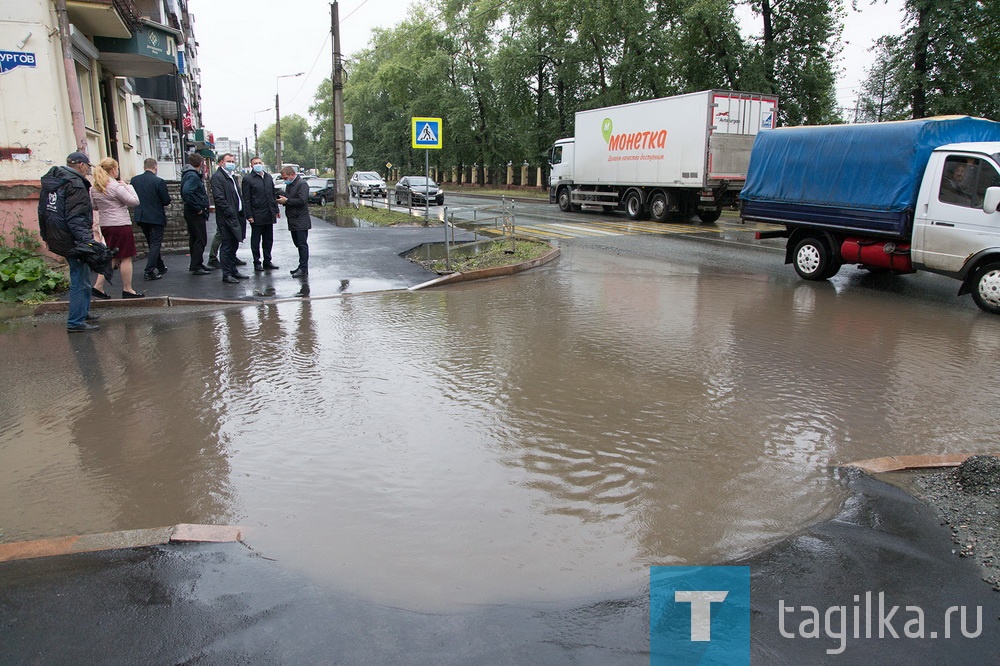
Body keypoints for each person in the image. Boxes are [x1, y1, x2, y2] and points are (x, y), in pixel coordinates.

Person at [38, 152, 100, 331]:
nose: (88, 169)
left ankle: (82, 312)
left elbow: (43, 211)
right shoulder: (75, 184)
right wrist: (88, 243)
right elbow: (77, 218)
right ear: (81, 165)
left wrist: (46, 236)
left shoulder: (53, 183)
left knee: (82, 276)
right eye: (88, 166)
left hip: (58, 236)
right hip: (73, 239)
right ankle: (76, 321)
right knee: (79, 279)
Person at [90, 157, 144, 299]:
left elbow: (94, 206)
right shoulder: (115, 186)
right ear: (113, 169)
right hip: (120, 224)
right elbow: (134, 201)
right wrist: (128, 186)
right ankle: (128, 289)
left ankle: (98, 286)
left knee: (112, 256)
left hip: (106, 225)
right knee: (126, 257)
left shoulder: (95, 188)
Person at [210, 153, 249, 283]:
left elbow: (238, 195)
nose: (231, 163)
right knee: (226, 245)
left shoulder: (231, 176)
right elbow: (220, 199)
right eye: (229, 161)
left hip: (237, 216)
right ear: (221, 163)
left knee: (234, 244)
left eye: (233, 160)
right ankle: (226, 274)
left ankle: (233, 270)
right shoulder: (218, 177)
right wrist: (230, 213)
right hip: (227, 218)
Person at [131, 157, 172, 280]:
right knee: (155, 243)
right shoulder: (159, 181)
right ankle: (149, 271)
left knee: (151, 242)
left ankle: (160, 266)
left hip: (141, 216)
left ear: (144, 167)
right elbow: (166, 200)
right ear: (155, 167)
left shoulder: (134, 180)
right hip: (156, 216)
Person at [242, 156, 280, 272]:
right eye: (255, 163)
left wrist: (276, 210)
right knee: (256, 240)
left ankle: (267, 261)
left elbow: (272, 195)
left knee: (268, 239)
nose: (258, 165)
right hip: (256, 214)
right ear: (251, 166)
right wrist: (249, 215)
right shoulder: (248, 179)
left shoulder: (268, 177)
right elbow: (246, 199)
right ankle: (256, 262)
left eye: (259, 162)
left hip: (269, 213)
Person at [180, 154, 212, 274]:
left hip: (190, 211)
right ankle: (196, 266)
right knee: (200, 238)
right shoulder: (193, 176)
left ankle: (197, 263)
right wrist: (198, 208)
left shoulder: (188, 174)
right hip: (195, 213)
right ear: (200, 164)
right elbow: (187, 192)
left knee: (194, 238)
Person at [278, 166, 311, 277]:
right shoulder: (290, 185)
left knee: (302, 244)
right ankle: (301, 266)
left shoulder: (302, 184)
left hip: (301, 219)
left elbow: (302, 200)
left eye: (286, 177)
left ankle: (303, 268)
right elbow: (290, 198)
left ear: (292, 174)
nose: (284, 180)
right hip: (292, 219)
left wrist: (287, 201)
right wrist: (283, 199)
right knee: (297, 243)